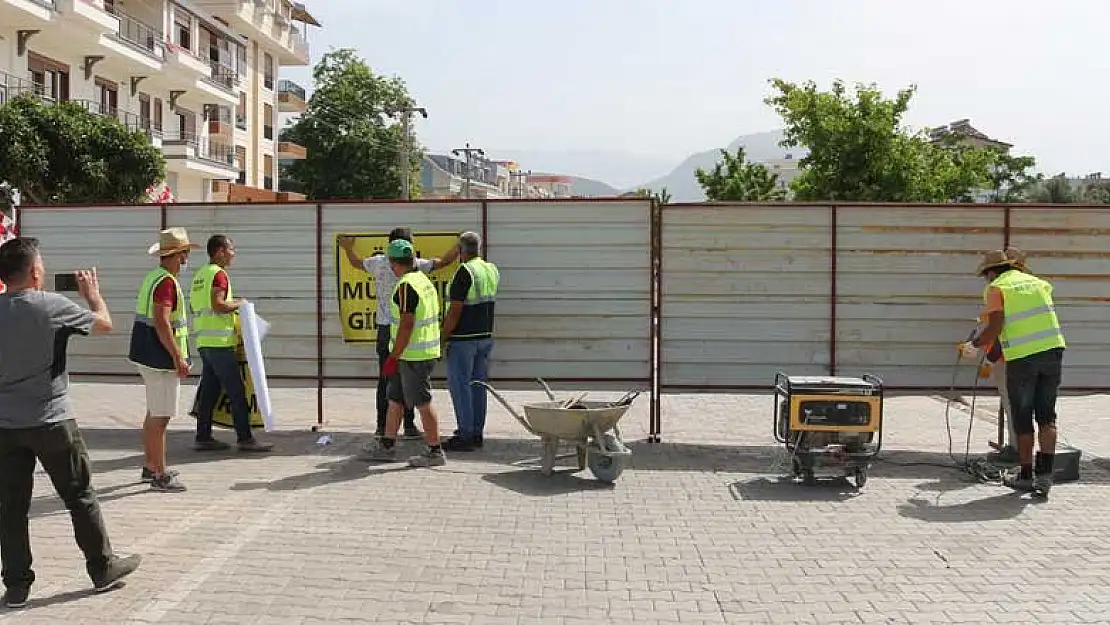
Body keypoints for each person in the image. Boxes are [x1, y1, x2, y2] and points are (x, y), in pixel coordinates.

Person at [0, 237, 141, 608]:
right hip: (52, 420)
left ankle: (16, 585)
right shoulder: (51, 305)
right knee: (79, 496)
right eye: (41, 264)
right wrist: (93, 295)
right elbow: (104, 325)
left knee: (11, 507)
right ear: (33, 272)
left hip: (5, 427)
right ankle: (101, 567)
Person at [338, 228, 459, 442]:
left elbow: (356, 263)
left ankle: (382, 427)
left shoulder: (377, 263)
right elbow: (443, 263)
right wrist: (460, 246)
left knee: (388, 381)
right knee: (408, 383)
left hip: (388, 331)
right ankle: (409, 426)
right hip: (408, 336)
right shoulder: (417, 268)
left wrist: (348, 248)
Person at [963, 249, 1066, 497]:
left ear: (990, 273)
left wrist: (973, 345)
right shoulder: (1039, 284)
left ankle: (1026, 475)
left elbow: (996, 327)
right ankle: (1045, 477)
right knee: (1047, 416)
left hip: (1022, 358)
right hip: (1053, 351)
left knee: (1022, 418)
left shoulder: (996, 288)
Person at [361, 239, 447, 467]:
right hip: (412, 353)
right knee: (395, 399)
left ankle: (435, 451)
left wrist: (393, 356)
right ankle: (387, 444)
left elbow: (407, 325)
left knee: (422, 401)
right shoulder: (422, 280)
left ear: (392, 263)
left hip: (413, 356)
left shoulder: (407, 286)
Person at [127, 228, 197, 492]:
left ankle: (150, 465)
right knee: (161, 418)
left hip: (148, 355)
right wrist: (178, 357)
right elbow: (161, 320)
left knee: (154, 412)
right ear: (177, 255)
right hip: (160, 359)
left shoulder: (154, 277)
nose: (186, 259)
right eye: (185, 254)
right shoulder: (166, 282)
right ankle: (159, 474)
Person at [190, 235, 273, 453]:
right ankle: (245, 438)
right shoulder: (218, 275)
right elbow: (217, 305)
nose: (233, 253)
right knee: (236, 391)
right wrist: (241, 304)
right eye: (230, 249)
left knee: (209, 391)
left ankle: (203, 436)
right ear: (219, 251)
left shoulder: (200, 275)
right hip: (219, 343)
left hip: (204, 341)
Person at [441, 232, 500, 452]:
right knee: (477, 387)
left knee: (460, 386)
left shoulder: (464, 272)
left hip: (463, 339)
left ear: (460, 250)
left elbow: (454, 312)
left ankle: (464, 434)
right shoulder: (490, 269)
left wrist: (441, 337)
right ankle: (476, 433)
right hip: (484, 337)